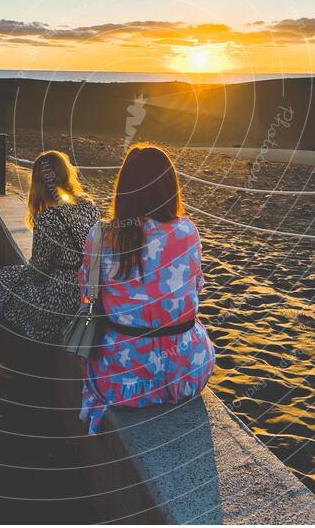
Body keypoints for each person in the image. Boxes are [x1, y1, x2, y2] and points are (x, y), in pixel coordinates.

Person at [78, 143, 215, 433]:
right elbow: (197, 286)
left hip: (123, 380)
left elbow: (87, 295)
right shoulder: (187, 231)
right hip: (188, 372)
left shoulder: (102, 236)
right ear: (169, 187)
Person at [0, 150, 99, 377]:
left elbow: (38, 272)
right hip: (82, 293)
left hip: (60, 299)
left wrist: (22, 272)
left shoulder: (48, 218)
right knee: (10, 282)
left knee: (4, 283)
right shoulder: (89, 208)